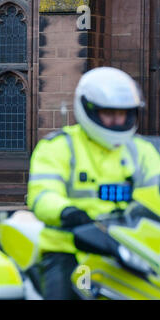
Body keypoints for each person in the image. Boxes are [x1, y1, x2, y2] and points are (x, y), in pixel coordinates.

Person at [27, 67, 160, 300]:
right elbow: (42, 194)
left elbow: (155, 192)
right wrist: (67, 212)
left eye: (124, 113)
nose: (118, 120)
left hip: (130, 247)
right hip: (69, 247)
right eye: (109, 113)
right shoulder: (58, 146)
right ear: (88, 108)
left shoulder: (142, 150)